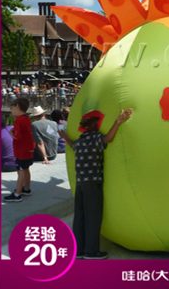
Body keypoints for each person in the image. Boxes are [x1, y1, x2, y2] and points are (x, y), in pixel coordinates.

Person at [59, 108, 133, 260]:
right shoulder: (96, 137)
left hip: (80, 183)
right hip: (93, 183)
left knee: (80, 216)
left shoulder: (81, 139)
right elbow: (108, 139)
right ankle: (91, 251)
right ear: (95, 124)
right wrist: (118, 122)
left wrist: (65, 136)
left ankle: (78, 250)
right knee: (93, 217)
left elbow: (72, 145)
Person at [4, 97, 36, 202]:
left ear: (17, 106)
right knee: (26, 168)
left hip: (21, 150)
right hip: (29, 148)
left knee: (20, 171)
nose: (12, 109)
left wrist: (10, 132)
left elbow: (17, 136)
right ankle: (26, 188)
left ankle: (17, 194)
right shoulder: (26, 118)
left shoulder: (19, 120)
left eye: (12, 107)